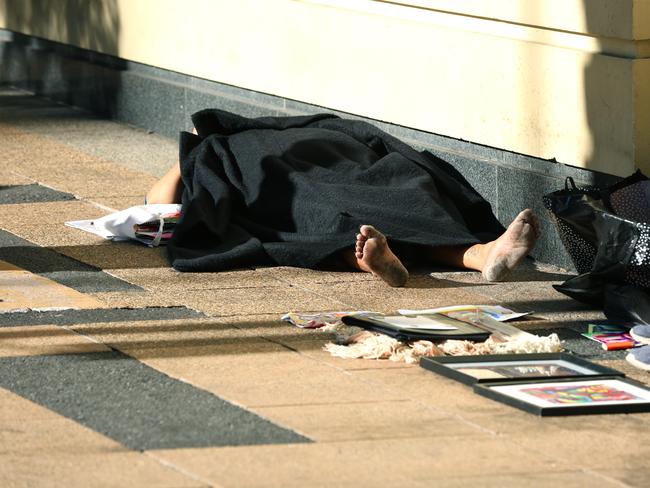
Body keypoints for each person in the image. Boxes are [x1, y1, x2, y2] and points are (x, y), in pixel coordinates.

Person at [148, 109, 539, 287]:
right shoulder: (221, 148)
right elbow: (156, 205)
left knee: (324, 215)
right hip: (323, 167)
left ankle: (479, 254)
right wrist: (196, 151)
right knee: (375, 200)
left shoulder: (216, 148)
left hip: (332, 163)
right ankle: (475, 253)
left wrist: (192, 153)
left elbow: (157, 204)